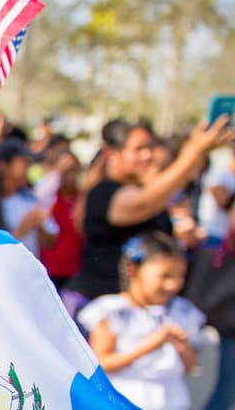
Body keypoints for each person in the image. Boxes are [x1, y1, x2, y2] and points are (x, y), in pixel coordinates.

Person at [68, 118, 233, 307]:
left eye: (150, 148)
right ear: (112, 153)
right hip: (100, 307)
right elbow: (144, 203)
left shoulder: (141, 189)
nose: (147, 155)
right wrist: (194, 152)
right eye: (138, 149)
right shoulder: (104, 193)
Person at [78, 233, 204, 410]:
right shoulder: (113, 311)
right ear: (133, 269)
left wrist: (183, 346)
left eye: (180, 276)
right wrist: (149, 346)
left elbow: (190, 366)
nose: (173, 285)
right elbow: (100, 363)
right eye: (165, 276)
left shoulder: (181, 311)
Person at [0, 138, 55, 257]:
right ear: (3, 166)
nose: (28, 167)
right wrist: (21, 230)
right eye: (23, 162)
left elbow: (51, 240)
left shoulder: (29, 199)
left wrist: (39, 225)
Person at [39, 149, 85, 289]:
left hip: (75, 267)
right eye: (66, 171)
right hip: (51, 268)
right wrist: (57, 172)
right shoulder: (52, 196)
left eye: (74, 170)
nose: (70, 176)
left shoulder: (81, 197)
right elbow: (39, 197)